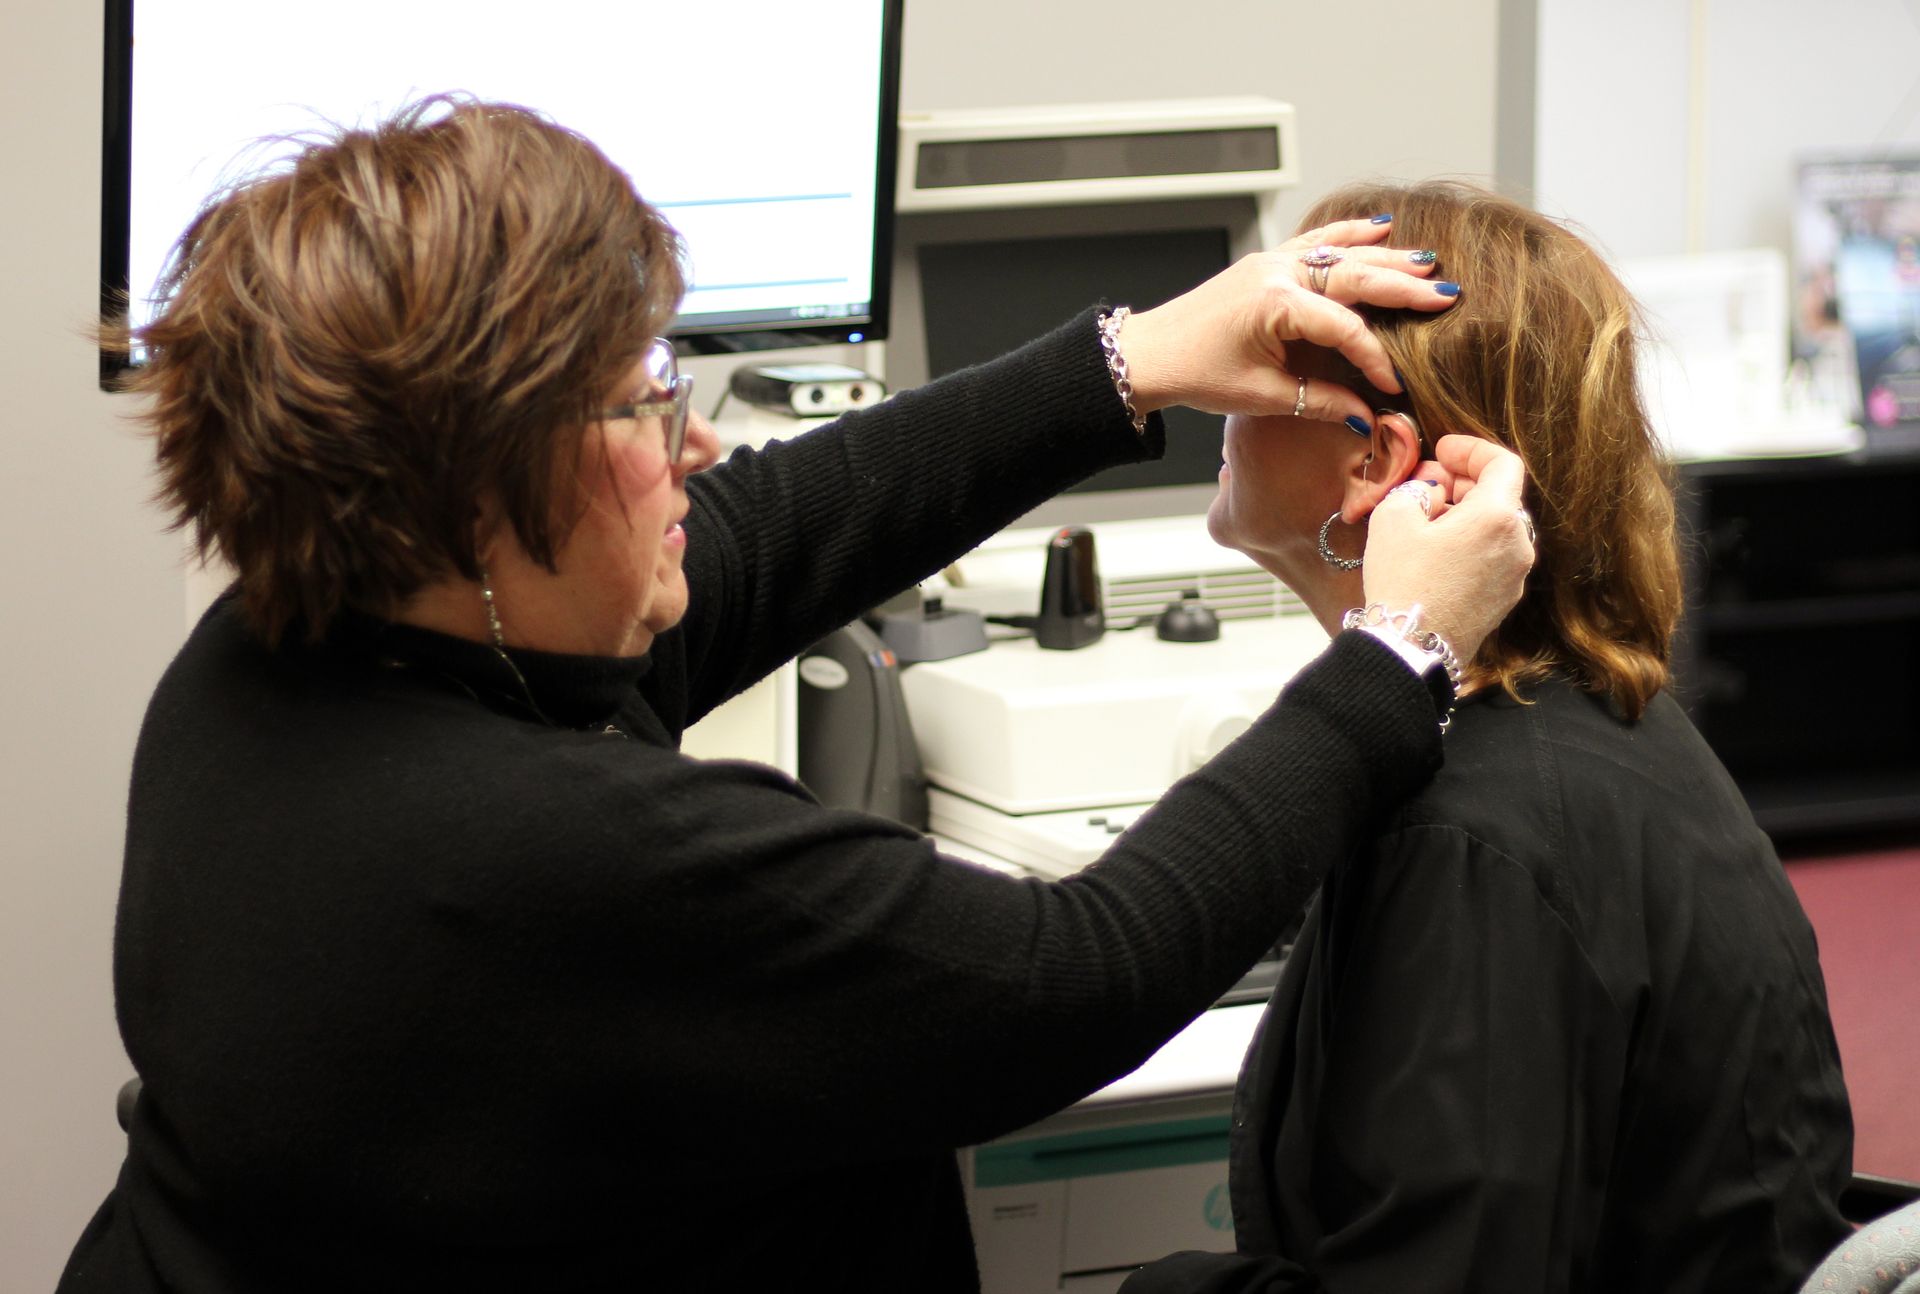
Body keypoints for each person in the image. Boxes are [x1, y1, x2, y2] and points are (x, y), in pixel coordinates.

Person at [58, 102, 1533, 1293]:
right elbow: (1068, 972)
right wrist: (1394, 657)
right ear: (491, 492)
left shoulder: (278, 651)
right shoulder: (557, 860)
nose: (697, 442)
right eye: (644, 397)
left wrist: (1130, 363)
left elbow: (762, 535)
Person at [1126, 181, 1853, 1294]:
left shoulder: (1472, 837)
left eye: (1268, 350)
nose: (1220, 386)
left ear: (1373, 461)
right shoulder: (1567, 725)